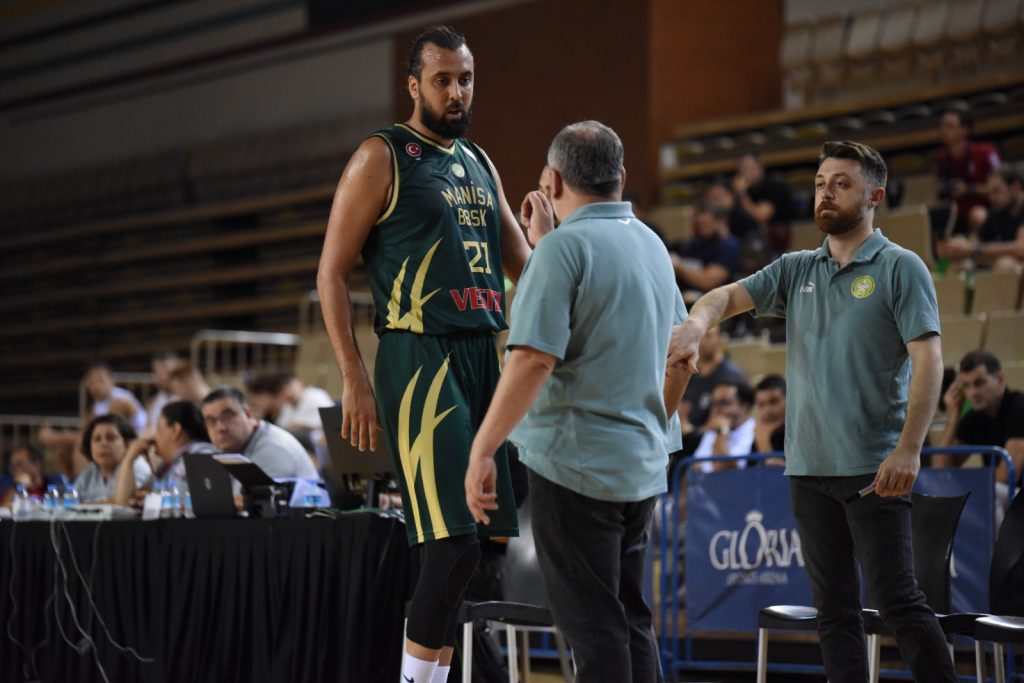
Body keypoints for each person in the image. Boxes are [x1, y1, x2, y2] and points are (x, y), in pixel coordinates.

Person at [668, 140, 954, 682]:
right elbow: (724, 297)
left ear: (874, 196)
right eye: (821, 183)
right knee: (833, 612)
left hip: (875, 468)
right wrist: (695, 325)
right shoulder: (797, 267)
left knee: (898, 602)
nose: (826, 193)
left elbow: (929, 361)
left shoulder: (901, 267)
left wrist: (909, 449)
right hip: (808, 470)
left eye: (841, 184)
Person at [316, 25, 533, 683]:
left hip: (482, 355)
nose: (456, 91)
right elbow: (331, 272)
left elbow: (526, 265)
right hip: (419, 359)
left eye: (465, 79)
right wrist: (353, 377)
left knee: (473, 554)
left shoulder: (480, 161)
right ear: (413, 86)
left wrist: (565, 247)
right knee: (451, 545)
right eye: (442, 80)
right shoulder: (381, 155)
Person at [464, 120, 690, 682]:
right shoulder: (652, 245)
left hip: (576, 465)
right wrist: (653, 426)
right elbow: (682, 359)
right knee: (630, 618)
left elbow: (532, 360)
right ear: (622, 177)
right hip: (641, 464)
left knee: (594, 629)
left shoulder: (563, 250)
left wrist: (484, 448)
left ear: (553, 181)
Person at [935, 350, 1024, 520]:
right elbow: (941, 468)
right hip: (1002, 494)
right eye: (966, 386)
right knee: (946, 495)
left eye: (979, 383)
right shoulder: (974, 417)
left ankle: (995, 541)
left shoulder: (1019, 407)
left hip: (1017, 495)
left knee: (990, 494)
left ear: (1000, 379)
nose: (973, 392)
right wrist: (953, 414)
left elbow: (1006, 476)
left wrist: (967, 484)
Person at [200, 386, 319, 480]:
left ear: (248, 414)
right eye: (211, 421)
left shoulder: (271, 449)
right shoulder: (234, 448)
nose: (220, 428)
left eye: (228, 416)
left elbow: (248, 501)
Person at [112, 400, 217, 505]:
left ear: (175, 430)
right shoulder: (166, 466)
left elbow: (193, 503)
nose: (153, 436)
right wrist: (129, 459)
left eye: (158, 427)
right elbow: (125, 503)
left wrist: (153, 500)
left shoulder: (203, 455)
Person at [936, 167, 1024, 271]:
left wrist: (974, 249)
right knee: (962, 265)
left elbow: (1021, 248)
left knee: (1005, 264)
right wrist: (956, 246)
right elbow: (975, 241)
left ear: (1015, 187)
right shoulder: (998, 212)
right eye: (990, 192)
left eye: (997, 191)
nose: (992, 198)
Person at [935, 107, 1001, 235]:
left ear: (965, 130)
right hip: (955, 215)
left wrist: (968, 189)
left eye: (949, 126)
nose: (943, 130)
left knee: (978, 215)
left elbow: (999, 188)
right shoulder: (941, 157)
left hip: (986, 211)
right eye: (941, 125)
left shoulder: (987, 152)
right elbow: (938, 191)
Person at [679, 325, 748, 428]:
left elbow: (736, 417)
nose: (702, 342)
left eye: (708, 336)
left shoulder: (732, 375)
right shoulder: (693, 374)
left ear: (720, 339)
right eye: (700, 336)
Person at [669, 203, 741, 299]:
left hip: (713, 299)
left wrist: (678, 266)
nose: (702, 229)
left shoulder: (729, 246)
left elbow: (708, 282)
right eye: (700, 224)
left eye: (706, 223)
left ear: (721, 222)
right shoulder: (700, 242)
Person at [732, 151, 796, 251]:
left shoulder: (774, 184)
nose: (745, 173)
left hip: (784, 239)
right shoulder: (747, 189)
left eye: (749, 168)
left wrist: (742, 194)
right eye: (742, 170)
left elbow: (761, 216)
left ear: (760, 166)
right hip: (755, 237)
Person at [691, 380, 755, 472]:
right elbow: (693, 468)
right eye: (714, 403)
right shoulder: (715, 429)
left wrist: (722, 431)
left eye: (724, 403)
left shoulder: (753, 431)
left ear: (745, 406)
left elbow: (722, 469)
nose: (716, 409)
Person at [75, 414, 138, 503]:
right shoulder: (90, 471)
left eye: (111, 438)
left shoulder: (135, 467)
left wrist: (84, 506)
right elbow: (72, 500)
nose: (103, 444)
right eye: (97, 439)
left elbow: (125, 502)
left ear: (127, 445)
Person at [752, 374, 786, 463]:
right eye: (761, 404)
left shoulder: (801, 434)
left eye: (774, 402)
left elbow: (773, 467)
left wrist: (762, 438)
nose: (767, 410)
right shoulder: (757, 435)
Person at [146, 351, 182, 429]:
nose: (163, 377)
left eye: (167, 372)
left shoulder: (187, 399)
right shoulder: (152, 402)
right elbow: (147, 428)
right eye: (158, 373)